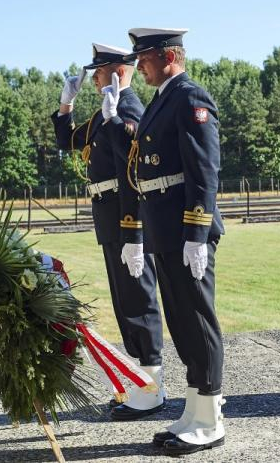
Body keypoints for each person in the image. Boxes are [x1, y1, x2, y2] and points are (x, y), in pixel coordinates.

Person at [122, 27, 225, 455]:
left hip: (185, 230)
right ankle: (194, 411)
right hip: (165, 230)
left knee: (198, 322)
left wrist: (197, 232)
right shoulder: (164, 98)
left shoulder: (189, 97)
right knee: (182, 323)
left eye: (144, 57)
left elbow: (204, 170)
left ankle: (211, 420)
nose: (138, 65)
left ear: (168, 56)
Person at [51, 43, 165, 420]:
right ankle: (139, 381)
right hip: (110, 218)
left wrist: (134, 233)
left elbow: (134, 178)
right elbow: (68, 141)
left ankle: (150, 388)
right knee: (125, 300)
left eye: (98, 72)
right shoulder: (106, 113)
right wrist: (66, 106)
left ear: (116, 72)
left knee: (138, 299)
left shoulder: (128, 110)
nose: (93, 78)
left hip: (125, 219)